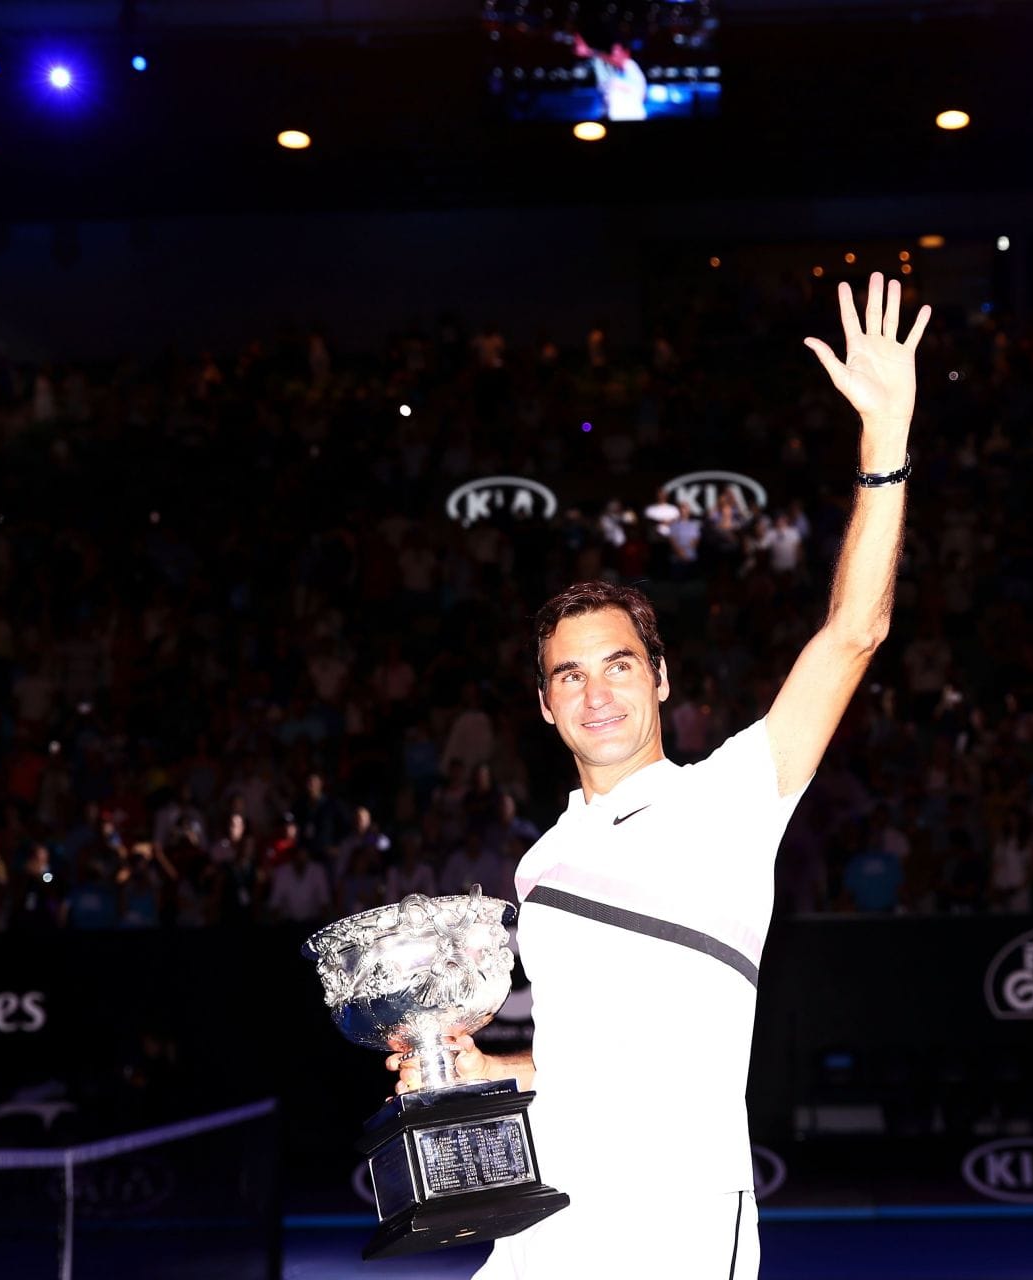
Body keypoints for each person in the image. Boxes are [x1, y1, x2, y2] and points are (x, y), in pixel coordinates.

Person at [388, 273, 929, 1279]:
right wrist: (489, 1067)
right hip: (547, 1217)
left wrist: (885, 440)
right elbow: (586, 1059)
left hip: (677, 1226)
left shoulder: (732, 795)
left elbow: (855, 632)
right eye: (570, 675)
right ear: (544, 705)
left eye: (620, 664)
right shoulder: (542, 863)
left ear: (662, 676)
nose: (597, 694)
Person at [572, 35, 649, 122]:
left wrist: (590, 52)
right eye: (613, 51)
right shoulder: (617, 75)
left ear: (626, 53)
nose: (614, 55)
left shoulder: (631, 66)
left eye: (617, 51)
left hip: (633, 120)